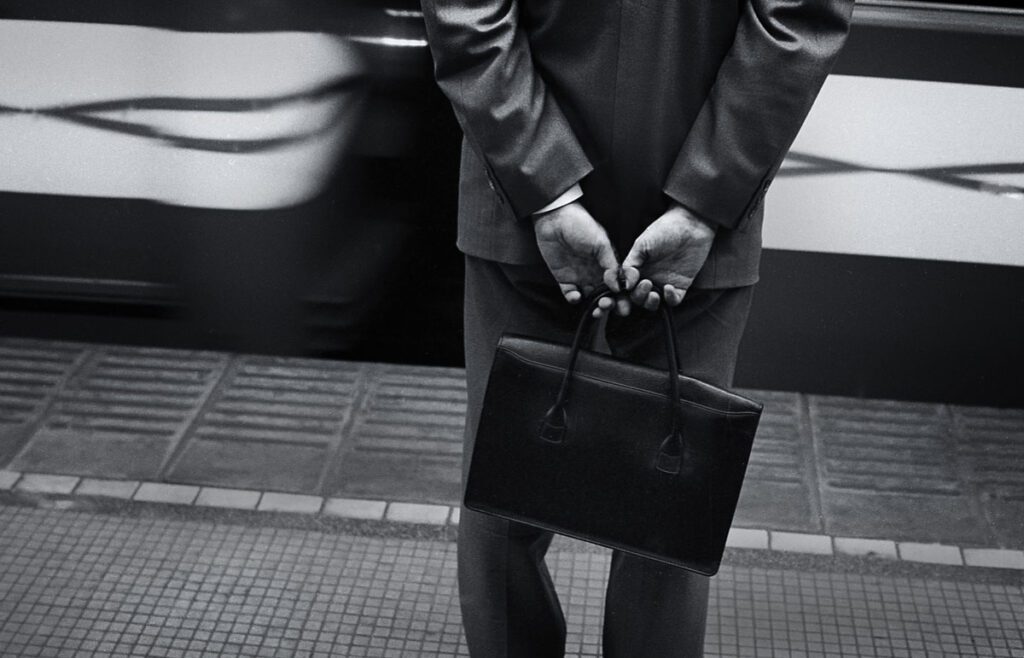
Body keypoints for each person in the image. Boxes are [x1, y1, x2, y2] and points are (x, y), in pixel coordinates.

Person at [420, 1, 854, 656]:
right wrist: (707, 196)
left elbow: (468, 13)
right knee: (671, 511)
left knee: (504, 499)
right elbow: (799, 21)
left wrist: (546, 185)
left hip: (517, 199)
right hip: (703, 217)